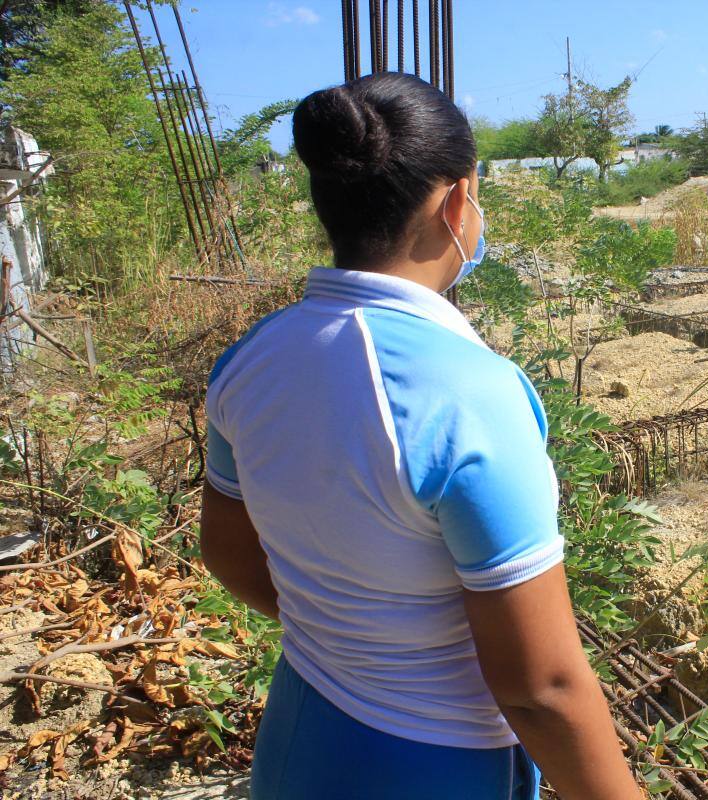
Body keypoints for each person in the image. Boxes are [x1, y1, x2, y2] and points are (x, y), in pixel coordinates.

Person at [199, 72, 643, 800]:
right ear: (457, 202)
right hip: (435, 761)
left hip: (301, 733)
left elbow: (225, 551)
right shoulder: (470, 396)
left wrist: (352, 640)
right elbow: (543, 688)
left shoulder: (251, 358)